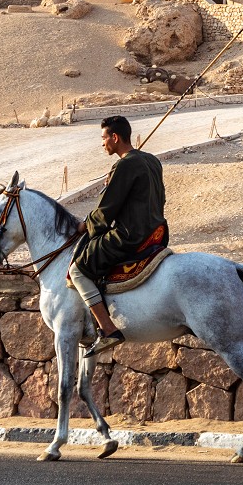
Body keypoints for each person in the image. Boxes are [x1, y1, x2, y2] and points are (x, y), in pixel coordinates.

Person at [68, 115, 167, 357]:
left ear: (115, 137)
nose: (102, 144)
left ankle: (108, 328)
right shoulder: (151, 160)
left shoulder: (125, 165)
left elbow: (106, 211)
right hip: (158, 232)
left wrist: (84, 226)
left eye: (104, 138)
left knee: (78, 270)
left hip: (130, 235)